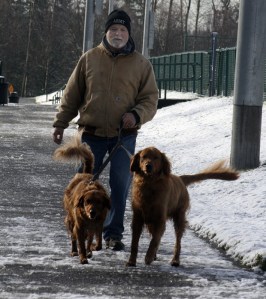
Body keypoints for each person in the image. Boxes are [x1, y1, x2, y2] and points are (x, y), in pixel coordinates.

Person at [52, 9, 158, 251]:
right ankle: (80, 230)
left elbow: (151, 99)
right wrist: (60, 123)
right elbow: (71, 94)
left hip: (124, 137)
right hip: (91, 134)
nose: (117, 34)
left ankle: (113, 234)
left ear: (129, 34)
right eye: (113, 29)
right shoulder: (89, 58)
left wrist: (136, 114)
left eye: (122, 30)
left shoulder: (142, 65)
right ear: (106, 32)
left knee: (120, 186)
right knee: (83, 186)